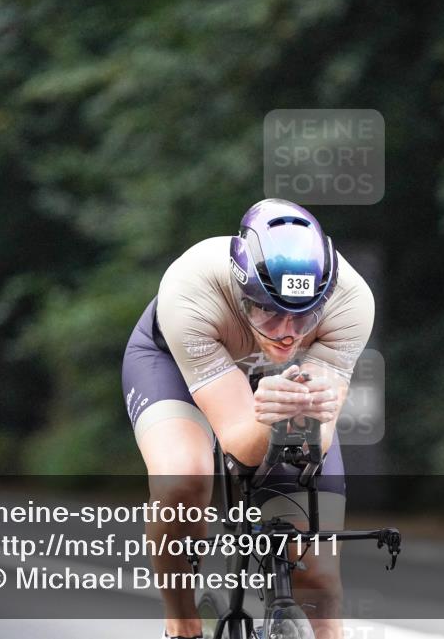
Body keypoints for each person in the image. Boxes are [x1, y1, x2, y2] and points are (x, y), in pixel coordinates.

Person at [121, 199, 374, 639]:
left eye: (304, 314)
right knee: (184, 477)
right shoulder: (191, 286)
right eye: (270, 312)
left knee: (316, 571)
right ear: (242, 295)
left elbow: (316, 441)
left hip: (278, 384)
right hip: (174, 367)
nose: (289, 331)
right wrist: (264, 419)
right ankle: (181, 623)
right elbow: (240, 439)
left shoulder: (352, 302)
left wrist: (296, 418)